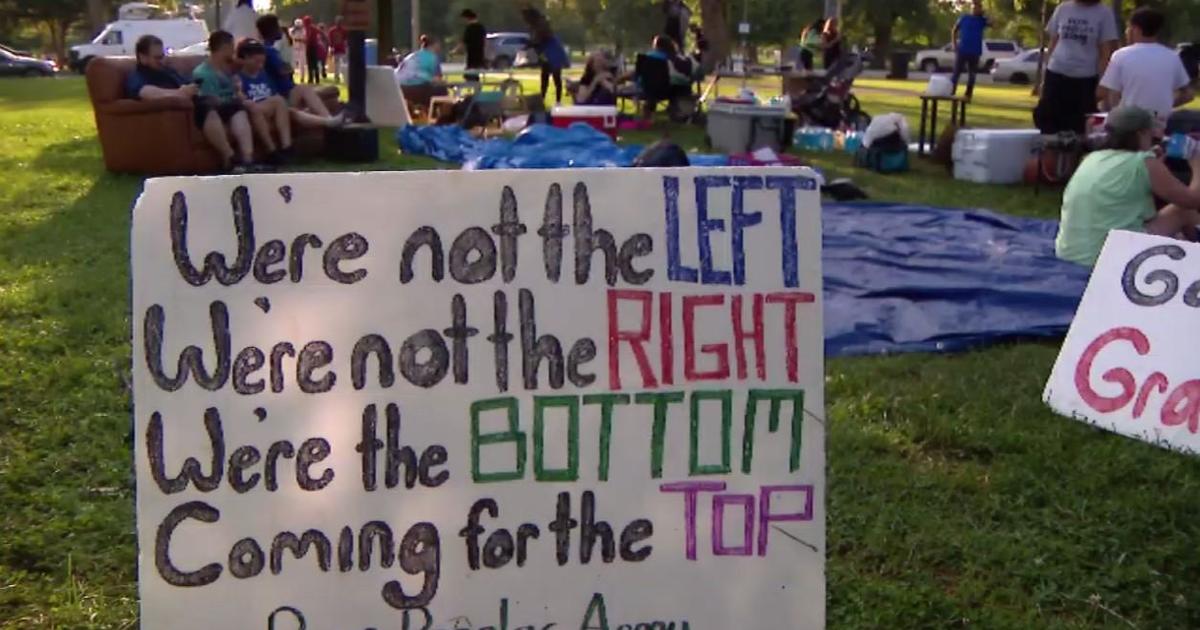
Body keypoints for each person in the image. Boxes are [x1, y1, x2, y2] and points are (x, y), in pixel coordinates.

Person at [1056, 106, 1200, 267]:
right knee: (1182, 210)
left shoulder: (1092, 158)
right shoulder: (1143, 162)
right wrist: (1197, 163)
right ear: (1141, 133)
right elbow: (1193, 200)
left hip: (1070, 252)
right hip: (1110, 256)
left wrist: (1155, 162)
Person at [125, 34, 245, 172]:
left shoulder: (166, 70)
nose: (161, 61)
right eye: (157, 58)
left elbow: (187, 84)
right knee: (206, 106)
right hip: (185, 111)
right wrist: (179, 93)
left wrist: (193, 89)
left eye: (162, 56)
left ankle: (248, 159)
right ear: (142, 57)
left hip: (196, 103)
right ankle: (229, 157)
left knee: (236, 106)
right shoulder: (138, 76)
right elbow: (146, 93)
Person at [1098, 8, 1194, 130]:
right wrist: (1166, 106)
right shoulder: (1171, 56)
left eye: (1128, 28)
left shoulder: (1121, 55)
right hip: (1160, 123)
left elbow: (1112, 94)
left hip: (1130, 124)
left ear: (1136, 29)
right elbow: (1188, 94)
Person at [1035, 0, 1119, 135]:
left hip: (1085, 79)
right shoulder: (1063, 8)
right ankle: (1049, 153)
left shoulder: (1104, 13)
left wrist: (1102, 84)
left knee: (1078, 127)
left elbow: (1106, 52)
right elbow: (1053, 42)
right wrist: (1045, 77)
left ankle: (1073, 155)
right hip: (1056, 73)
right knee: (1049, 123)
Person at [255, 15, 345, 125]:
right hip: (283, 94)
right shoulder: (268, 51)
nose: (281, 30)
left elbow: (287, 69)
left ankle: (329, 119)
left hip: (287, 91)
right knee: (308, 91)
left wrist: (288, 68)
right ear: (271, 30)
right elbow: (285, 70)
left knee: (310, 90)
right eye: (278, 27)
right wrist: (287, 68)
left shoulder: (270, 49)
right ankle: (328, 120)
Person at [191, 31, 259, 171]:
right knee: (213, 108)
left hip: (228, 105)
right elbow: (210, 99)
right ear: (224, 48)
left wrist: (238, 93)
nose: (233, 51)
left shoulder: (227, 69)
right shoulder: (203, 73)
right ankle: (230, 158)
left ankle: (248, 160)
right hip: (212, 108)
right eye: (232, 47)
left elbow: (235, 92)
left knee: (238, 109)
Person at [235, 39, 291, 164]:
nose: (260, 66)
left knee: (279, 101)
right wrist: (241, 94)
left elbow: (272, 92)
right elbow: (240, 97)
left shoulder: (263, 74)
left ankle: (286, 146)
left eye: (262, 62)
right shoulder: (239, 77)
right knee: (262, 106)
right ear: (245, 59)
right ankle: (272, 151)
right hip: (252, 108)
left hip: (267, 106)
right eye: (256, 62)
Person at [522, 8, 569, 104]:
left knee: (555, 77)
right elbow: (535, 41)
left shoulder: (541, 24)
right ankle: (542, 99)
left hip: (552, 51)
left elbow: (539, 39)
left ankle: (558, 101)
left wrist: (529, 44)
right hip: (546, 52)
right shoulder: (535, 25)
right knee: (545, 77)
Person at [952, 0, 988, 99]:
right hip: (962, 50)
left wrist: (985, 14)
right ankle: (951, 91)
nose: (975, 9)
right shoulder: (964, 18)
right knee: (956, 73)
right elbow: (955, 30)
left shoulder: (982, 20)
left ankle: (968, 94)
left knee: (972, 75)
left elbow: (995, 24)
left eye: (978, 7)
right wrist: (954, 44)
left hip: (975, 52)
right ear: (971, 8)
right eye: (974, 7)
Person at [460, 9, 487, 81]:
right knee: (475, 75)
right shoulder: (481, 27)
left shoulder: (469, 29)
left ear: (467, 18)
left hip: (471, 56)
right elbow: (485, 41)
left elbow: (463, 42)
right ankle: (476, 89)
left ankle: (474, 88)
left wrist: (454, 51)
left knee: (468, 75)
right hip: (480, 56)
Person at [327, 16, 348, 83]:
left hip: (341, 48)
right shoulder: (332, 30)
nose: (339, 23)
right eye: (339, 22)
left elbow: (346, 39)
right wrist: (331, 47)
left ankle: (340, 76)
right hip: (336, 49)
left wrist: (346, 45)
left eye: (340, 22)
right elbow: (330, 40)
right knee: (337, 63)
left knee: (341, 63)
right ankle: (337, 76)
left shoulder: (343, 30)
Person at [302, 15, 321, 84]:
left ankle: (311, 79)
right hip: (314, 47)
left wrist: (305, 41)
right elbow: (321, 33)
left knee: (310, 64)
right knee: (314, 64)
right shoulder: (314, 28)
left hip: (310, 47)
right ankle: (317, 79)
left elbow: (309, 37)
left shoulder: (308, 28)